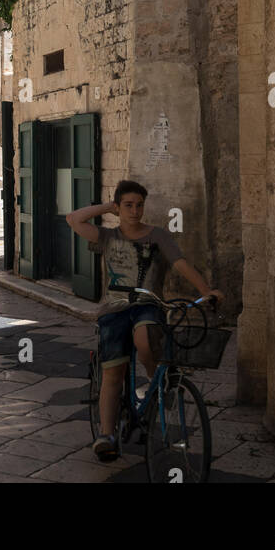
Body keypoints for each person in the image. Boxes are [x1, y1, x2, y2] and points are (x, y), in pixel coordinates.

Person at [67, 179, 223, 461]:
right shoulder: (107, 237)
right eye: (127, 205)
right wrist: (108, 207)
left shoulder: (158, 236)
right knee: (113, 372)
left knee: (145, 337)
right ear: (119, 207)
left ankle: (157, 382)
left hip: (148, 305)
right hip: (114, 310)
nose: (135, 211)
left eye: (139, 205)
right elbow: (73, 219)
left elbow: (181, 263)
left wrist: (206, 291)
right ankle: (107, 433)